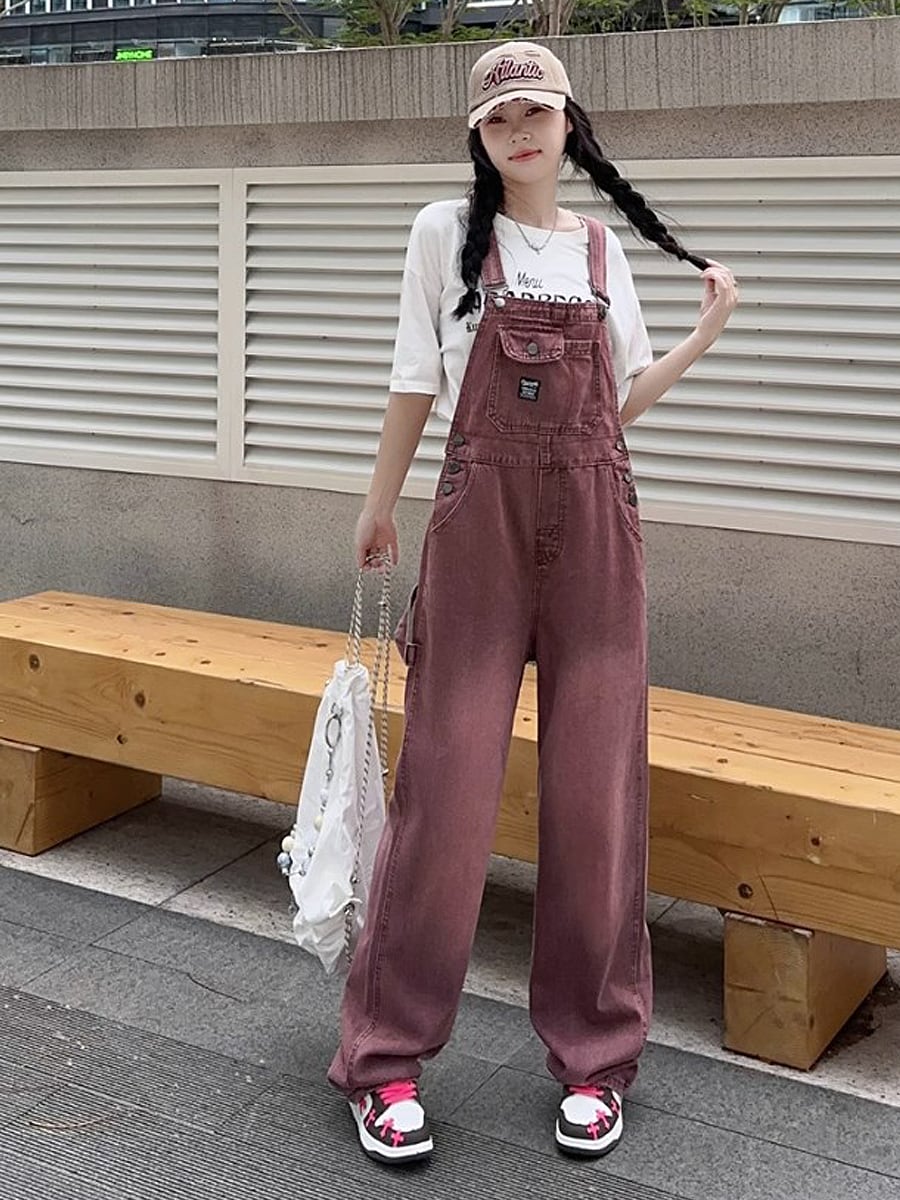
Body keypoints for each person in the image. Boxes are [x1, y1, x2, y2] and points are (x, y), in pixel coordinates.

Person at [327, 39, 738, 1165]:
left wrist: (704, 336)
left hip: (598, 533)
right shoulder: (443, 233)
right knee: (446, 794)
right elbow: (414, 377)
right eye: (499, 116)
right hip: (478, 532)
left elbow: (620, 404)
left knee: (598, 798)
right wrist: (378, 506)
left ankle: (597, 1062)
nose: (519, 131)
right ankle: (384, 1060)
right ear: (479, 135)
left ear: (568, 125)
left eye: (536, 113)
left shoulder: (603, 250)